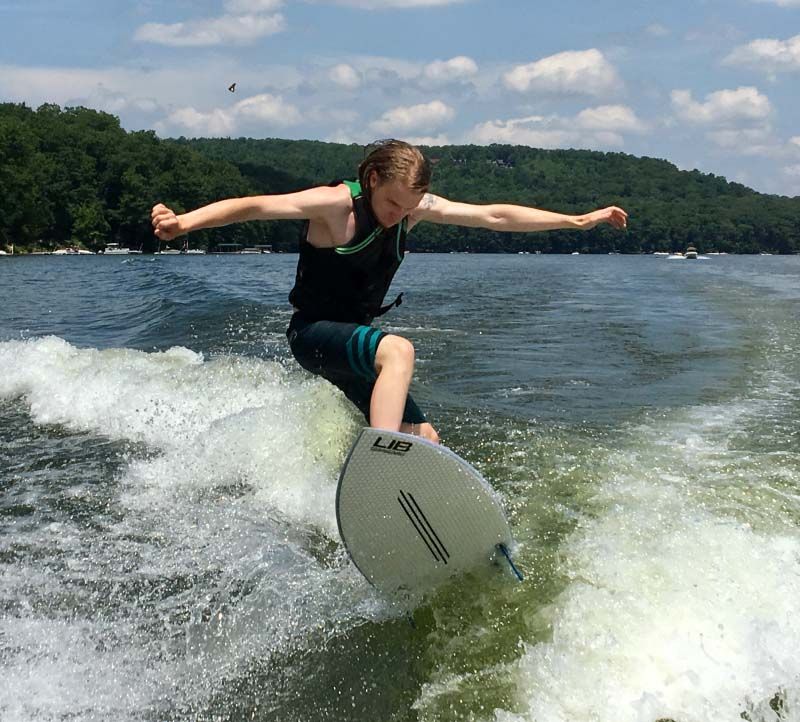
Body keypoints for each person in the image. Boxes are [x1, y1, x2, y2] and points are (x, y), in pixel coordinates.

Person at [151, 139, 628, 444]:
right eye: (393, 202)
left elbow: (495, 215)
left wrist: (577, 219)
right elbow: (253, 206)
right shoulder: (335, 205)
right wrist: (184, 222)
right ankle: (382, 462)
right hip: (312, 336)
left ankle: (389, 504)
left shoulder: (413, 207)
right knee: (398, 351)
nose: (400, 214)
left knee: (426, 438)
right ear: (373, 180)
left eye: (411, 206)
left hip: (355, 345)